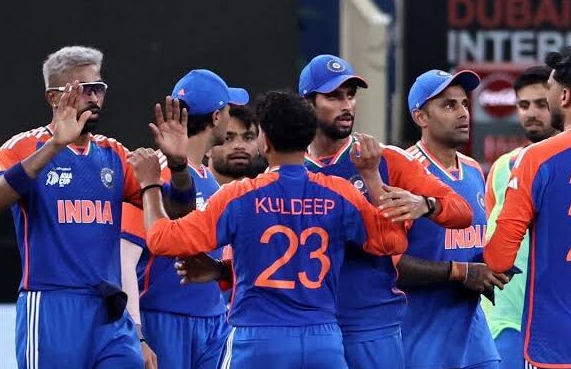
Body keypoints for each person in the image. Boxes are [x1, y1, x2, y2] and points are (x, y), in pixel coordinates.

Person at [127, 91, 414, 368]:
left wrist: (150, 185)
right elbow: (393, 241)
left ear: (265, 141)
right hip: (323, 340)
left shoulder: (239, 196)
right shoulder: (341, 194)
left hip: (258, 340)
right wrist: (372, 178)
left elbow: (162, 239)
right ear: (308, 138)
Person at [0, 46, 153, 369]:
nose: (94, 98)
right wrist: (55, 145)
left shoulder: (114, 153)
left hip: (108, 308)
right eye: (83, 90)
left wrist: (178, 169)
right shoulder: (23, 146)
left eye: (98, 89)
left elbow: (171, 210)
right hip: (51, 302)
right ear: (53, 97)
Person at [299, 55, 474, 369]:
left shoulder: (386, 158)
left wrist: (426, 205)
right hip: (308, 323)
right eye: (334, 97)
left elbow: (462, 212)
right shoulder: (290, 167)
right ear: (307, 104)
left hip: (371, 322)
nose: (347, 105)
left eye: (350, 95)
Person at [484, 46, 571, 368]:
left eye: (549, 88)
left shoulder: (535, 158)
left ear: (565, 96)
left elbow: (499, 258)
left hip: (553, 346)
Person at [121, 70, 248, 369]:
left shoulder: (208, 177)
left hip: (213, 321)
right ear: (216, 117)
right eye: (229, 110)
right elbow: (124, 259)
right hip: (163, 318)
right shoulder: (153, 171)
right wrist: (137, 334)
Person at [397, 69, 505, 369]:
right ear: (420, 117)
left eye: (464, 104)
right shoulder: (402, 171)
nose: (462, 113)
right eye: (448, 105)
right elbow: (388, 265)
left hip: (474, 335)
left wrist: (492, 268)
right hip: (422, 337)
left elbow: (469, 245)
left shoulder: (473, 169)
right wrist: (460, 272)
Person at [483, 66, 559, 369]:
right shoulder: (502, 167)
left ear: (560, 102)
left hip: (559, 319)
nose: (531, 113)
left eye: (541, 104)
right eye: (524, 105)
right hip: (506, 320)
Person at [207, 105, 263, 184]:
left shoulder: (270, 188)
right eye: (227, 138)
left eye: (248, 138)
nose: (239, 146)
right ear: (207, 148)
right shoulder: (191, 186)